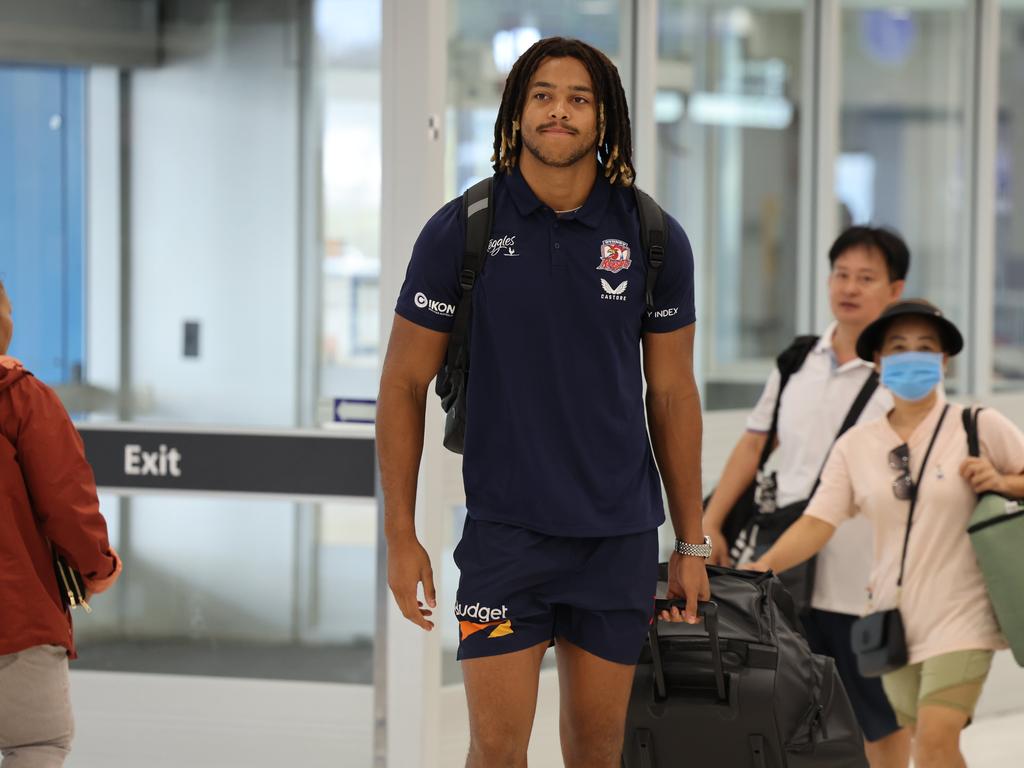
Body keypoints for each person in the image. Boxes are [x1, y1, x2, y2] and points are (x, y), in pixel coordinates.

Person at [376, 37, 708, 767]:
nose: (560, 111)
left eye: (579, 99)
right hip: (506, 537)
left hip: (617, 539)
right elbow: (402, 385)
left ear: (604, 119)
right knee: (496, 752)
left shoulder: (651, 238)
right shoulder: (462, 229)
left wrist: (691, 541)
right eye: (544, 96)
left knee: (596, 749)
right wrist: (400, 534)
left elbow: (675, 393)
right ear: (518, 112)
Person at [745, 299, 1024, 768]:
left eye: (924, 346)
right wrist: (757, 567)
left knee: (935, 739)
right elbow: (818, 522)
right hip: (890, 618)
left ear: (944, 360)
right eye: (898, 347)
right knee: (921, 742)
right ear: (877, 361)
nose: (911, 355)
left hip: (964, 614)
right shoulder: (856, 446)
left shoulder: (977, 426)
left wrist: (1001, 482)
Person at [703, 226, 912, 767]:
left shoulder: (901, 376)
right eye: (841, 274)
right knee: (783, 707)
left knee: (879, 714)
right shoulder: (798, 361)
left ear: (894, 290)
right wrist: (711, 523)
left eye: (866, 278)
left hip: (862, 584)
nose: (850, 287)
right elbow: (752, 446)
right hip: (785, 576)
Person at [0, 280, 122, 768]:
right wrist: (97, 569)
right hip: (14, 618)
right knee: (36, 746)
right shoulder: (19, 398)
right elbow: (67, 502)